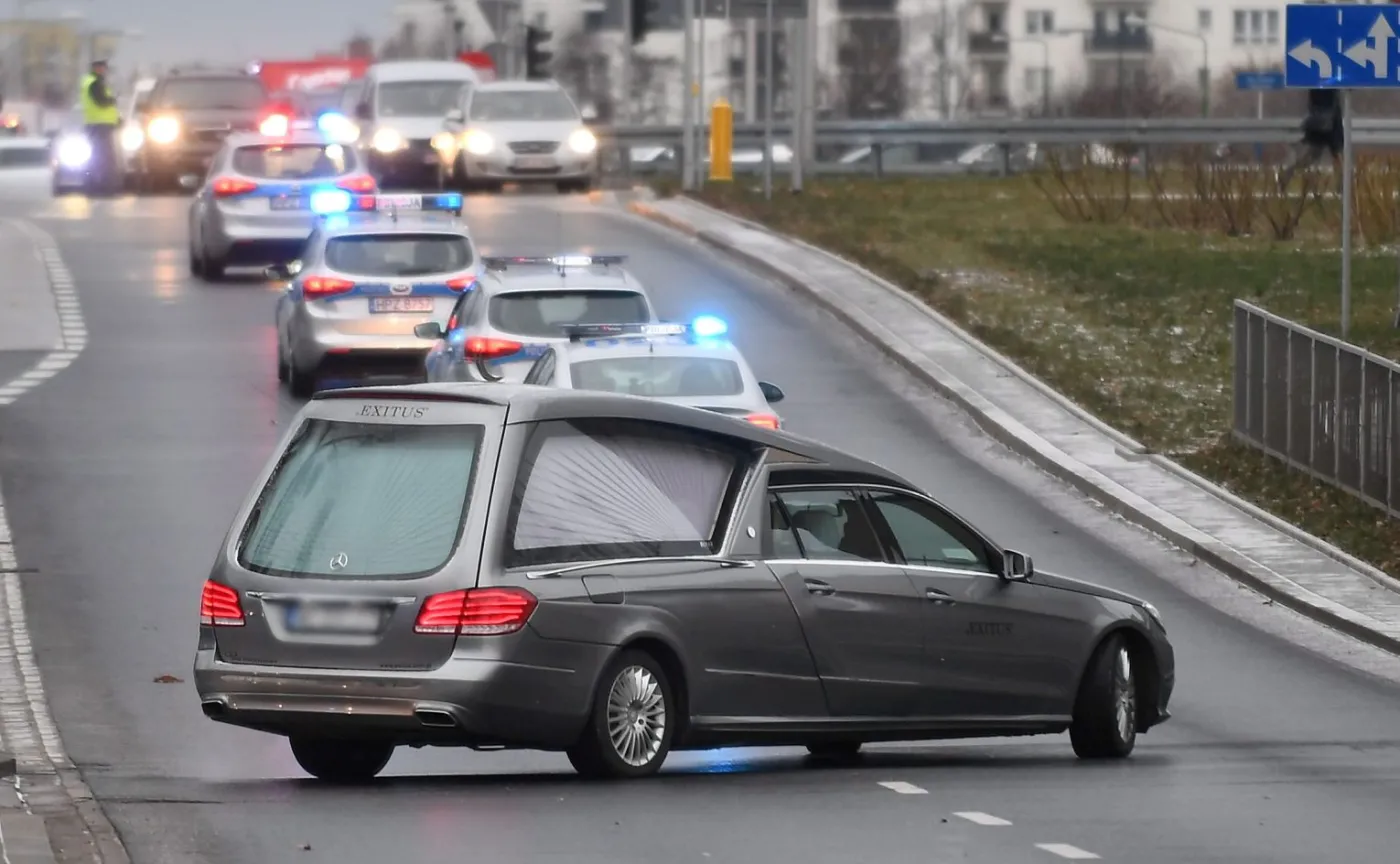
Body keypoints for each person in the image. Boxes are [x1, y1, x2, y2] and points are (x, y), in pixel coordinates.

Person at [79, 60, 121, 195]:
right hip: (100, 126)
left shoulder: (93, 82)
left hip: (97, 125)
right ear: (97, 69)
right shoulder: (94, 83)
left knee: (98, 158)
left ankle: (95, 186)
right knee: (104, 159)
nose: (104, 71)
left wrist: (117, 119)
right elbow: (102, 102)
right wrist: (112, 100)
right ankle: (103, 188)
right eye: (102, 68)